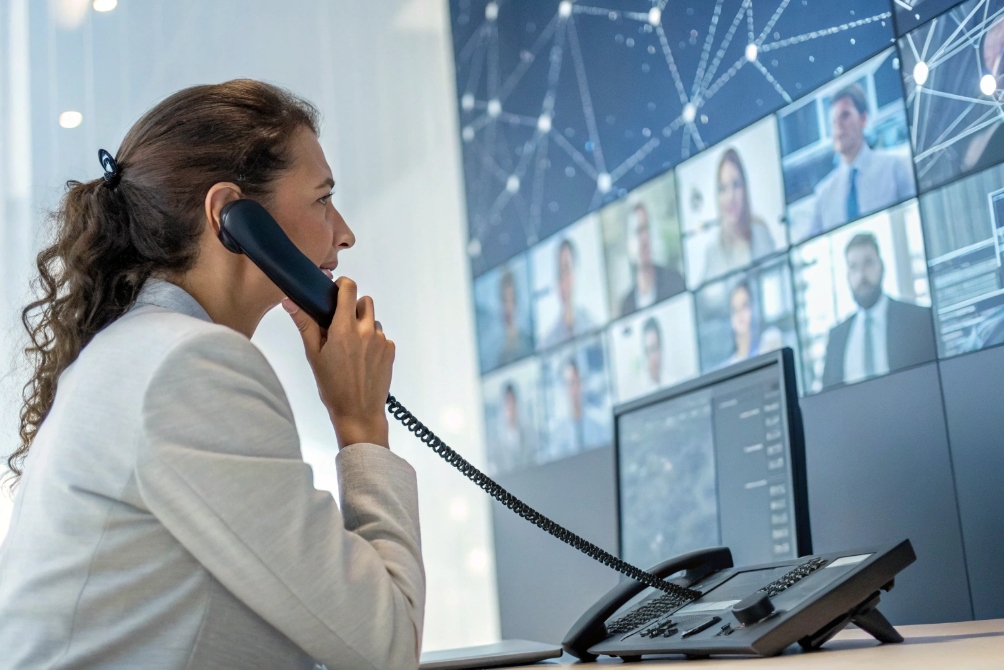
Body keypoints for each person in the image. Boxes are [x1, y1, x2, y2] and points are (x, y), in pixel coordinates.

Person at [0, 81, 424, 669]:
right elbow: (386, 646)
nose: (344, 233)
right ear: (233, 216)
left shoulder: (140, 352)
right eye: (323, 199)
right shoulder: (188, 366)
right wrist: (361, 424)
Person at [821, 232, 937, 389]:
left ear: (881, 266)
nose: (862, 274)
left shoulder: (919, 320)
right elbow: (829, 398)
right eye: (854, 267)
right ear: (847, 276)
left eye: (868, 263)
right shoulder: (836, 338)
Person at [810, 83, 915, 236]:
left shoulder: (893, 168)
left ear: (863, 119)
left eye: (844, 116)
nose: (838, 126)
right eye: (833, 122)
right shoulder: (823, 194)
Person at [700, 148, 776, 285]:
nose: (730, 197)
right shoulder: (712, 251)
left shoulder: (760, 233)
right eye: (723, 189)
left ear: (745, 188)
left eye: (736, 185)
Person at [619, 202, 685, 316]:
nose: (644, 238)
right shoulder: (626, 306)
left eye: (646, 228)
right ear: (627, 244)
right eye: (637, 231)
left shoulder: (675, 281)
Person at [547, 357, 608, 459]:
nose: (574, 389)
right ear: (564, 387)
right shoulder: (557, 433)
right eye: (570, 383)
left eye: (577, 382)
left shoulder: (598, 425)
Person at [542, 238, 596, 348]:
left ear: (575, 272)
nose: (563, 280)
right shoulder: (547, 343)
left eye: (567, 269)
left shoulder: (592, 329)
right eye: (559, 272)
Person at [491, 382, 536, 473]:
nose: (510, 407)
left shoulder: (529, 432)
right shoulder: (497, 443)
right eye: (507, 402)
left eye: (513, 401)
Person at [496, 265, 533, 366]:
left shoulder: (528, 344)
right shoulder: (499, 355)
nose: (508, 308)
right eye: (504, 300)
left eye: (511, 300)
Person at [641, 317, 664, 389]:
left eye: (654, 348)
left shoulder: (673, 382)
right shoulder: (641, 390)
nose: (651, 357)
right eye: (648, 350)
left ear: (660, 348)